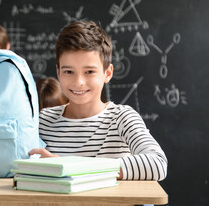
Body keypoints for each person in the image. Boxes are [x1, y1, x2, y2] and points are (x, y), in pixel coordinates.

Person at [29, 21, 168, 182]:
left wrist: (67, 167)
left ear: (107, 73)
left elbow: (158, 163)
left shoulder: (121, 118)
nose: (79, 82)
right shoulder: (44, 120)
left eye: (89, 71)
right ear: (58, 72)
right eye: (68, 71)